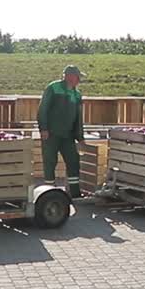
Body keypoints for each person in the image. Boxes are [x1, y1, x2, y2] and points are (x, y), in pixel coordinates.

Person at [38, 65, 86, 197]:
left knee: (73, 161)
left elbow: (78, 119)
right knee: (50, 162)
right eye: (78, 77)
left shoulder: (77, 95)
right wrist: (43, 128)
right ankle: (49, 191)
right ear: (69, 76)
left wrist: (80, 137)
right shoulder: (53, 88)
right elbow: (43, 109)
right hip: (51, 134)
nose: (79, 80)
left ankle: (75, 193)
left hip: (68, 136)